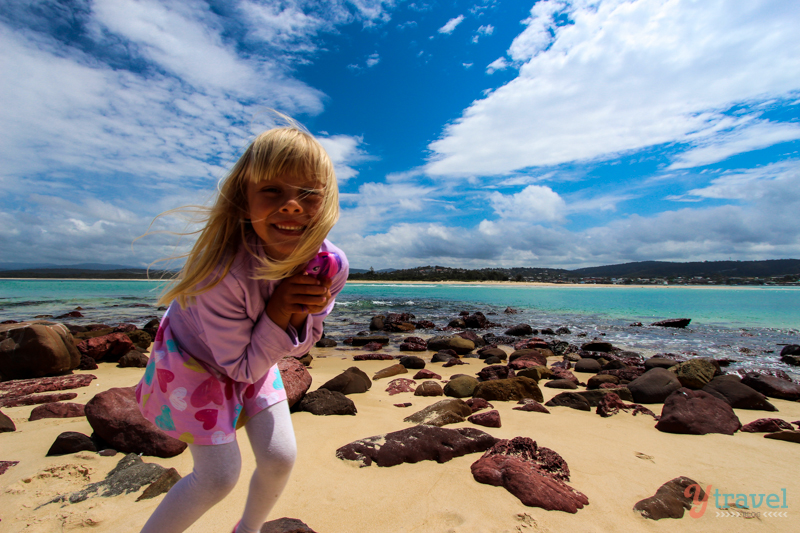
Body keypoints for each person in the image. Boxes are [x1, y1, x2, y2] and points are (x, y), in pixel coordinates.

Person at [136, 122, 348, 533]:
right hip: (195, 360)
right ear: (242, 200)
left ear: (326, 201)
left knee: (280, 457)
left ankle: (246, 530)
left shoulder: (329, 264)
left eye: (308, 193)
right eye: (272, 190)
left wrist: (301, 312)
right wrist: (281, 308)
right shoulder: (219, 275)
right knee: (217, 477)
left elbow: (302, 347)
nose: (291, 205)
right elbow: (239, 368)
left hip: (255, 354)